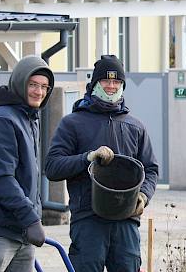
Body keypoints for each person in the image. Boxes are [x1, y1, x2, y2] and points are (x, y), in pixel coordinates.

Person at [45, 54, 159, 272]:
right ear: (94, 83)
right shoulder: (73, 123)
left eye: (117, 82)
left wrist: (143, 195)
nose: (111, 86)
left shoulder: (135, 127)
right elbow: (52, 167)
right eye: (106, 81)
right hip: (88, 220)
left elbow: (151, 169)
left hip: (126, 221)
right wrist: (87, 157)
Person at [0, 55, 54, 271]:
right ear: (19, 83)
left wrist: (32, 218)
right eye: (33, 84)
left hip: (22, 234)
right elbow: (1, 179)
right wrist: (31, 219)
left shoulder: (28, 118)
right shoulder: (3, 121)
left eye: (44, 86)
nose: (39, 92)